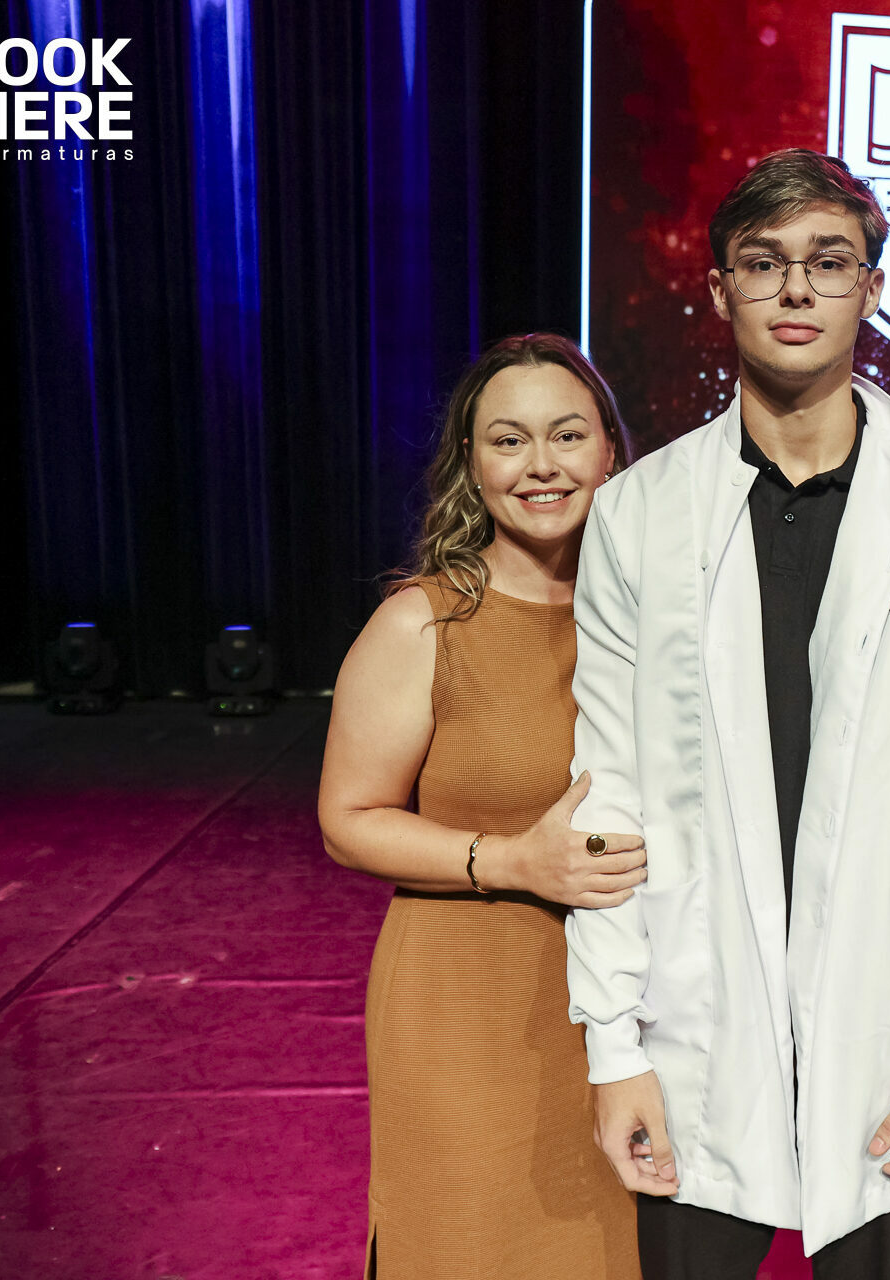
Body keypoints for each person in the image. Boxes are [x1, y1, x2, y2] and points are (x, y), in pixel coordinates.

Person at [564, 149, 890, 1279]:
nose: (794, 288)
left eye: (828, 263)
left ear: (871, 291)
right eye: (762, 262)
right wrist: (615, 1044)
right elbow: (608, 792)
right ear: (719, 289)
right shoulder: (639, 513)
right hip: (695, 1036)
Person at [317, 334, 643, 1280]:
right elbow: (348, 819)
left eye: (567, 435)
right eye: (509, 440)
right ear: (473, 463)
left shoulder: (659, 619)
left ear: (609, 451)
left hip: (633, 1016)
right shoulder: (424, 620)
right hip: (469, 1008)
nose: (541, 465)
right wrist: (511, 860)